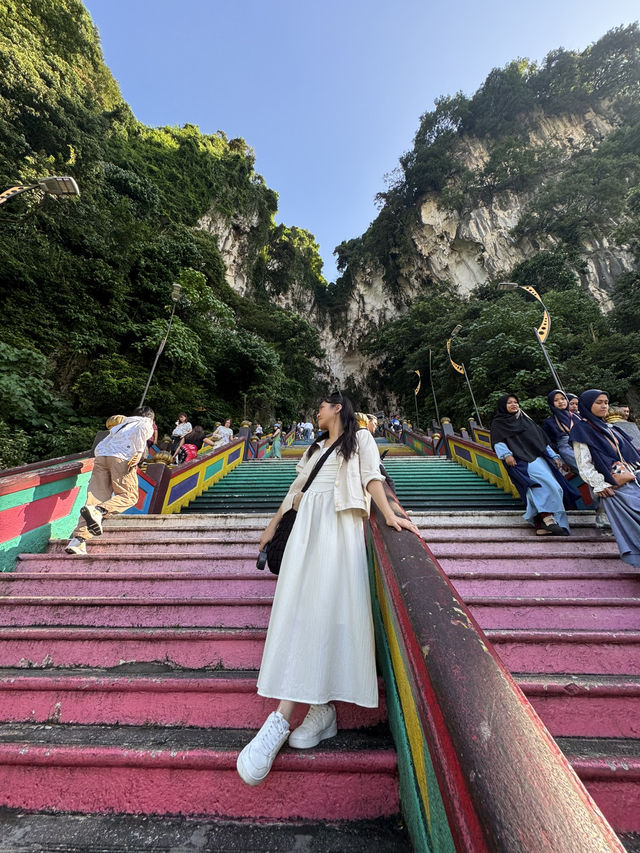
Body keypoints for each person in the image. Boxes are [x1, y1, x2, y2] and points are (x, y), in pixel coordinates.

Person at [236, 392, 420, 786]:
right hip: (304, 526)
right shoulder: (315, 446)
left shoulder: (362, 439)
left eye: (320, 405)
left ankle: (283, 718)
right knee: (299, 609)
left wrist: (391, 516)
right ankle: (319, 711)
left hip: (339, 527)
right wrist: (272, 525)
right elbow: (296, 488)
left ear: (338, 407)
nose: (315, 411)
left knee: (323, 610)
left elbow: (373, 479)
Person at [65, 407, 155, 555]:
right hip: (122, 458)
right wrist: (139, 453)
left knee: (94, 499)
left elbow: (101, 445)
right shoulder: (145, 422)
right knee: (129, 496)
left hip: (102, 458)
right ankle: (99, 510)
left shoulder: (121, 425)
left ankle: (78, 541)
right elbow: (143, 430)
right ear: (150, 418)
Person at [572, 390, 640, 566]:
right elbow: (584, 463)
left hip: (634, 479)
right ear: (588, 405)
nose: (604, 406)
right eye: (599, 402)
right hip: (616, 488)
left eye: (606, 402)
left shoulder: (611, 428)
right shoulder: (582, 429)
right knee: (633, 528)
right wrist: (600, 484)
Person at [491, 394, 575, 536]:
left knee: (556, 487)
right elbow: (498, 441)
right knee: (537, 487)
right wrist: (506, 455)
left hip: (538, 457)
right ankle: (548, 519)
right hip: (520, 460)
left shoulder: (526, 420)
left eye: (516, 402)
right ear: (502, 406)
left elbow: (542, 439)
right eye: (509, 403)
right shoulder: (498, 423)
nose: (514, 405)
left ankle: (551, 523)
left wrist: (554, 455)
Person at [543, 389, 578, 472]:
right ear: (552, 403)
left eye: (563, 399)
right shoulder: (550, 422)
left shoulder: (576, 416)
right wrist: (561, 459)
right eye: (556, 400)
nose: (560, 402)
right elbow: (550, 441)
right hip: (567, 449)